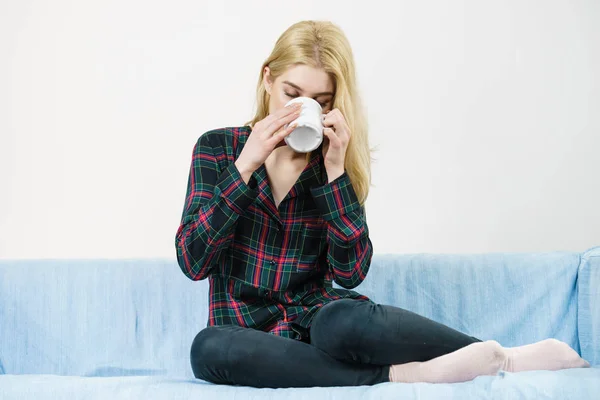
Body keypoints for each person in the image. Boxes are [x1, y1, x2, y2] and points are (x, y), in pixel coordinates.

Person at [174, 20, 590, 388]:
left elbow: (350, 274)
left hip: (318, 324)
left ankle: (502, 357)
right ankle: (401, 374)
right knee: (207, 347)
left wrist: (336, 175)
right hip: (246, 335)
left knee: (342, 321)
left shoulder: (332, 160)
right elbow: (194, 262)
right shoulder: (218, 149)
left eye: (319, 101)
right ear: (268, 79)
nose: (302, 109)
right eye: (291, 93)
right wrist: (246, 165)